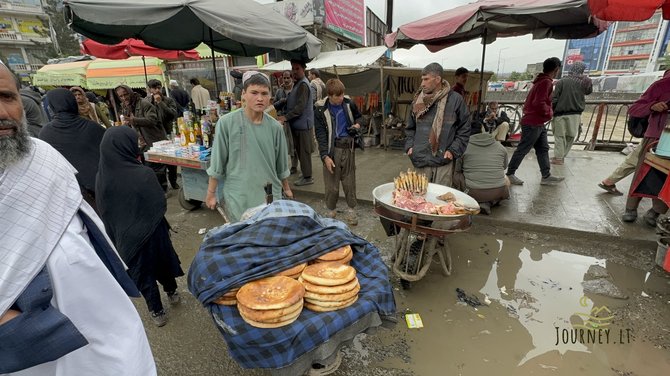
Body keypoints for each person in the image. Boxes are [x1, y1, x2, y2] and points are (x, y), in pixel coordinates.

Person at [0, 61, 156, 375]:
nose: (2, 112)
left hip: (109, 329)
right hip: (36, 351)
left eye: (6, 96)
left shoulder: (42, 156)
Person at [96, 126, 185, 327]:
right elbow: (158, 202)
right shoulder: (143, 173)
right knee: (162, 262)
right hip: (153, 231)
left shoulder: (102, 177)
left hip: (127, 238)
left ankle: (156, 310)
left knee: (143, 272)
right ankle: (172, 291)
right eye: (134, 142)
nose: (138, 145)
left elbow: (105, 211)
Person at [205, 72, 293, 222]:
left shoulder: (275, 128)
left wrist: (287, 188)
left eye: (264, 94)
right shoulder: (227, 123)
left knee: (268, 238)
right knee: (243, 239)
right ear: (243, 94)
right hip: (238, 195)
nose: (260, 98)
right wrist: (211, 192)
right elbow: (218, 162)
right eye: (254, 93)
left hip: (269, 195)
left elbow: (281, 164)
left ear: (269, 97)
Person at [39, 88, 106, 211]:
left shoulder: (45, 134)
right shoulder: (92, 127)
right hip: (104, 187)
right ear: (72, 102)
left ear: (51, 106)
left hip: (73, 196)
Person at [405, 62, 470, 188]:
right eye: (422, 79)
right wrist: (409, 147)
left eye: (426, 79)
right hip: (420, 158)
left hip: (443, 160)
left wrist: (453, 150)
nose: (422, 83)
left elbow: (465, 128)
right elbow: (410, 127)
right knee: (419, 197)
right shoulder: (418, 100)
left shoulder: (455, 100)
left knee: (440, 199)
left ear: (438, 79)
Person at [506, 57, 565, 186]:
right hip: (533, 122)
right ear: (556, 69)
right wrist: (549, 113)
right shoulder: (546, 83)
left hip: (537, 122)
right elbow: (539, 102)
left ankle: (546, 175)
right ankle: (510, 173)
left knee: (543, 148)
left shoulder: (541, 81)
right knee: (523, 148)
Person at [622, 69, 670, 225]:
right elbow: (634, 109)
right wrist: (653, 106)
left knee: (668, 180)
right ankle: (631, 208)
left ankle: (656, 211)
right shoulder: (660, 85)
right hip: (655, 137)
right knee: (642, 172)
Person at [314, 78, 363, 226]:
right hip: (331, 149)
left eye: (342, 94)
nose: (341, 98)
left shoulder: (348, 103)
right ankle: (331, 211)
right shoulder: (320, 109)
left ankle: (351, 210)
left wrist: (357, 124)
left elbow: (360, 116)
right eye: (337, 96)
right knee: (331, 185)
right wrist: (324, 156)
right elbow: (320, 133)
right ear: (329, 95)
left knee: (349, 182)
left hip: (348, 148)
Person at [115, 84, 168, 192]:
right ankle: (154, 189)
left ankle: (162, 190)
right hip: (140, 141)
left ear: (130, 92)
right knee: (146, 167)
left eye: (125, 95)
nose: (124, 98)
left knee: (156, 167)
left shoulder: (144, 103)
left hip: (153, 139)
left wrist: (133, 120)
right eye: (121, 96)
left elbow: (153, 120)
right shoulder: (125, 106)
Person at [454, 127, 510, 215]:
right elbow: (504, 167)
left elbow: (457, 169)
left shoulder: (464, 147)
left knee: (456, 174)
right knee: (505, 177)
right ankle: (490, 202)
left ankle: (478, 202)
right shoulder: (501, 147)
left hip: (474, 192)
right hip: (500, 191)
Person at [278, 59, 315, 186]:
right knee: (300, 151)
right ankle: (305, 173)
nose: (294, 71)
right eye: (293, 68)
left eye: (297, 68)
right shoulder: (298, 83)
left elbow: (300, 107)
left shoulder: (303, 85)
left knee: (304, 152)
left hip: (303, 125)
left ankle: (308, 177)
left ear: (303, 69)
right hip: (298, 125)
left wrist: (285, 117)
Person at [551, 61, 592, 165]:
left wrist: (552, 111)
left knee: (559, 136)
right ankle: (562, 155)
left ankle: (559, 157)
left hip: (560, 113)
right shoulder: (584, 82)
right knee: (571, 136)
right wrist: (587, 79)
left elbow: (555, 99)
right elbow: (588, 91)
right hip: (576, 114)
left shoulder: (561, 82)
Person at [148, 79, 180, 189]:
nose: (157, 90)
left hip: (168, 133)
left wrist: (160, 103)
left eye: (159, 88)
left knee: (172, 160)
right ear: (149, 89)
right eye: (154, 88)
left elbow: (173, 114)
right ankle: (163, 186)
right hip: (155, 135)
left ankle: (173, 180)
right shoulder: (147, 102)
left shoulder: (168, 100)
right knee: (160, 162)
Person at [274, 70, 298, 174]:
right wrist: (281, 101)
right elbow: (274, 105)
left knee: (294, 144)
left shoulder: (296, 89)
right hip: (282, 121)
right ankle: (283, 166)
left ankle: (294, 165)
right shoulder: (279, 91)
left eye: (288, 78)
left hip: (294, 120)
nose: (287, 80)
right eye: (285, 78)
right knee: (284, 144)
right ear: (282, 79)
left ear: (292, 78)